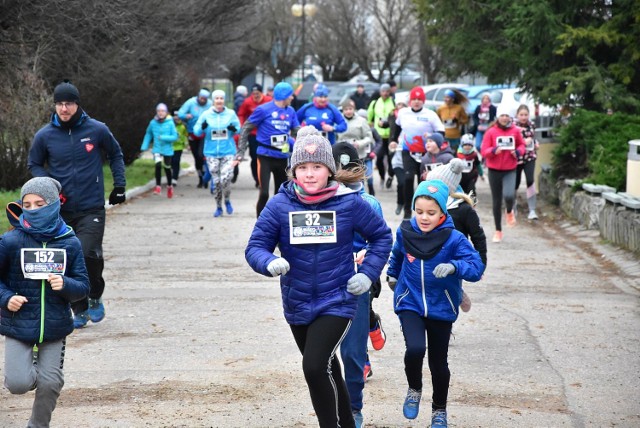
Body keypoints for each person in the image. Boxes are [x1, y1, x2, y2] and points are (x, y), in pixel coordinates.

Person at [245, 126, 392, 428]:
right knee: (327, 366)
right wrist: (269, 262)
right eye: (302, 167)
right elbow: (256, 247)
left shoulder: (349, 203)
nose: (309, 174)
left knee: (313, 367)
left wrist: (367, 275)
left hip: (338, 298)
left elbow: (381, 237)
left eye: (317, 167)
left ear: (330, 170)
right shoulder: (280, 204)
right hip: (297, 302)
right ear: (293, 171)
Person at [28, 80, 126, 329]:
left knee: (88, 253)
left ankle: (95, 294)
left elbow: (115, 154)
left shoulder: (97, 129)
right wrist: (49, 186)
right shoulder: (45, 135)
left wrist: (120, 185)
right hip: (60, 209)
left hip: (91, 206)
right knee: (66, 259)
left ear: (77, 104)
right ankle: (79, 307)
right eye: (60, 103)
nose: (64, 108)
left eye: (68, 103)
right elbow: (34, 164)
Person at [386, 179, 484, 427]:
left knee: (438, 363)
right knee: (416, 349)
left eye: (431, 212)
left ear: (442, 212)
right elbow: (397, 254)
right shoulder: (405, 230)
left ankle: (439, 410)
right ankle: (414, 389)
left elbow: (476, 268)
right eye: (419, 212)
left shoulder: (454, 239)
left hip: (442, 306)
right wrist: (392, 275)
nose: (424, 218)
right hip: (410, 303)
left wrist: (454, 266)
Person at [1, 177, 90, 427]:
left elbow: (83, 287)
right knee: (18, 384)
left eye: (39, 204)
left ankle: (38, 425)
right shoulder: (10, 241)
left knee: (50, 383)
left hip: (55, 326)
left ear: (53, 205)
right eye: (27, 205)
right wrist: (7, 298)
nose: (32, 210)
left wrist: (66, 285)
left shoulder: (70, 242)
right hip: (18, 325)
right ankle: (34, 367)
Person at [331, 141, 383, 428]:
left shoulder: (369, 204)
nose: (344, 178)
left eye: (349, 171)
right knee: (323, 357)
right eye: (339, 172)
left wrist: (367, 260)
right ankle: (333, 410)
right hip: (324, 285)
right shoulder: (317, 201)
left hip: (356, 284)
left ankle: (354, 408)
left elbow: (382, 241)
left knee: (352, 353)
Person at [426, 159, 488, 313]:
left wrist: (480, 263)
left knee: (449, 286)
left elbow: (478, 236)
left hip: (454, 257)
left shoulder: (463, 210)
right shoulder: (427, 206)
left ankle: (456, 296)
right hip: (430, 253)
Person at [237, 82, 300, 217]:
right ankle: (260, 222)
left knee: (281, 194)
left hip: (282, 156)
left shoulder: (291, 111)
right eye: (290, 95)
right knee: (264, 192)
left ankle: (277, 223)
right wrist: (241, 151)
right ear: (284, 96)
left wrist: (308, 139)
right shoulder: (263, 110)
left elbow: (297, 131)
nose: (292, 98)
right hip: (265, 156)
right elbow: (246, 128)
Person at [390, 87, 445, 220]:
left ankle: (425, 210)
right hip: (408, 151)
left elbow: (441, 133)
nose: (416, 102)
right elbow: (397, 127)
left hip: (426, 153)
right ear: (410, 101)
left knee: (424, 182)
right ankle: (407, 211)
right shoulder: (403, 113)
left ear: (423, 101)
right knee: (408, 179)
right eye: (414, 99)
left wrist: (432, 136)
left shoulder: (430, 114)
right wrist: (393, 140)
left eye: (419, 99)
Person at [480, 104, 526, 243]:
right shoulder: (491, 132)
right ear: (498, 117)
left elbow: (522, 145)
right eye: (502, 115)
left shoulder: (515, 131)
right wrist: (493, 151)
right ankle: (498, 230)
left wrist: (517, 152)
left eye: (507, 116)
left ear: (510, 117)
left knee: (508, 195)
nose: (504, 118)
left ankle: (509, 211)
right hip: (494, 169)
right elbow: (484, 151)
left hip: (510, 168)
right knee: (496, 200)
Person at [193, 90, 241, 217]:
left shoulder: (230, 114)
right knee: (217, 182)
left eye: (221, 98)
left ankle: (227, 200)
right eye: (217, 98)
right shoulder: (206, 114)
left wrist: (233, 129)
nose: (219, 100)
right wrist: (202, 127)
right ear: (213, 101)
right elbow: (196, 131)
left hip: (228, 151)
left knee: (226, 178)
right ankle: (219, 207)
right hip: (211, 152)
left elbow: (238, 129)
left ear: (224, 100)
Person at [337, 99, 375, 195]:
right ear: (343, 110)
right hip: (342, 155)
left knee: (358, 179)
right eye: (346, 109)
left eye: (350, 109)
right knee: (344, 178)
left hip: (358, 154)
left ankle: (362, 196)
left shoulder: (361, 121)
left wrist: (359, 143)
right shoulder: (339, 121)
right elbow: (335, 137)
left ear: (354, 109)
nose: (348, 111)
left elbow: (369, 137)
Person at [140, 103, 178, 198]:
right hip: (157, 148)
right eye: (159, 111)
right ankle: (158, 186)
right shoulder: (153, 122)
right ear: (156, 112)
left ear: (166, 112)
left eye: (163, 111)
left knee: (167, 167)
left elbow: (175, 136)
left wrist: (164, 137)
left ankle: (169, 186)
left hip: (167, 150)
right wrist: (144, 146)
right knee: (157, 165)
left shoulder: (170, 122)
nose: (161, 113)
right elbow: (148, 134)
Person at [238, 84, 273, 188]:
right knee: (254, 157)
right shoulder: (247, 102)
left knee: (265, 157)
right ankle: (257, 179)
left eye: (257, 94)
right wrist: (242, 126)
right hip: (253, 134)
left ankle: (264, 178)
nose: (255, 96)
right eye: (253, 94)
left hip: (267, 133)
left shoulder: (269, 100)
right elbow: (241, 114)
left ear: (261, 93)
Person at [177, 88, 212, 188]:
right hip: (192, 133)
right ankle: (200, 178)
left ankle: (206, 176)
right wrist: (186, 116)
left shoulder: (210, 104)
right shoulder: (190, 102)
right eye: (201, 98)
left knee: (202, 155)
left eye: (205, 99)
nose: (203, 100)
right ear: (198, 96)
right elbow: (180, 113)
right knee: (196, 157)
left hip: (204, 133)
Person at [367, 83, 396, 189]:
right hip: (378, 137)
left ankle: (390, 176)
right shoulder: (375, 103)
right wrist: (370, 126)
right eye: (383, 91)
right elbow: (369, 116)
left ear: (390, 92)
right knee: (378, 159)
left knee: (391, 159)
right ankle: (382, 177)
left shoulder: (393, 102)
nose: (385, 93)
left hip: (390, 136)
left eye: (387, 91)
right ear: (380, 92)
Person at [514, 104, 539, 220]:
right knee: (516, 182)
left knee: (530, 180)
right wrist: (524, 142)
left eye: (526, 115)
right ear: (517, 115)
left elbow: (533, 138)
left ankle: (532, 210)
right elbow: (512, 141)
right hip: (517, 157)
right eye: (521, 115)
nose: (524, 117)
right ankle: (512, 208)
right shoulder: (512, 126)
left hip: (530, 156)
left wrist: (536, 143)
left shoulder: (532, 125)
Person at [171, 111, 189, 186]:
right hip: (170, 146)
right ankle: (172, 175)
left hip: (179, 147)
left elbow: (186, 135)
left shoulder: (183, 126)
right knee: (171, 162)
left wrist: (187, 144)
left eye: (178, 116)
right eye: (175, 116)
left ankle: (175, 178)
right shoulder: (170, 125)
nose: (177, 118)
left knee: (176, 161)